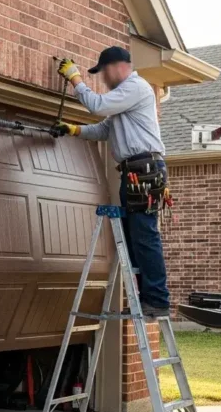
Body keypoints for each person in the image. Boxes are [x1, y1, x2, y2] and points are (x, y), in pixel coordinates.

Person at [50, 46, 170, 318]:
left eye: (102, 72)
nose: (102, 78)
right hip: (134, 172)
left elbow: (97, 105)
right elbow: (105, 129)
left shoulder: (136, 87)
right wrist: (74, 130)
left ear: (116, 66)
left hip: (144, 170)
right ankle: (146, 299)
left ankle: (158, 300)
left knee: (145, 235)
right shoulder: (124, 100)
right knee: (132, 236)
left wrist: (75, 78)